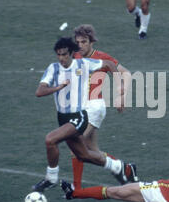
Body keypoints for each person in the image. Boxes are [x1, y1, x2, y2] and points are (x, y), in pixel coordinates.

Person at [32, 37, 137, 192]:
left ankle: (51, 178)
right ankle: (118, 166)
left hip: (79, 117)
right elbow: (39, 92)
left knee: (50, 140)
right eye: (58, 55)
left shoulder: (83, 64)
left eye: (64, 54)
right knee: (83, 155)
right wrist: (58, 87)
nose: (61, 58)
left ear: (71, 53)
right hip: (63, 118)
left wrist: (120, 87)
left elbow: (108, 64)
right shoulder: (53, 68)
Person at [70, 24, 133, 190]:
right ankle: (124, 168)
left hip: (94, 108)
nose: (80, 45)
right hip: (80, 109)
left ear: (91, 42)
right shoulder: (73, 56)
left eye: (84, 42)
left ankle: (76, 189)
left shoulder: (102, 58)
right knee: (92, 150)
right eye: (78, 42)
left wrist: (122, 96)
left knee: (76, 146)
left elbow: (125, 73)